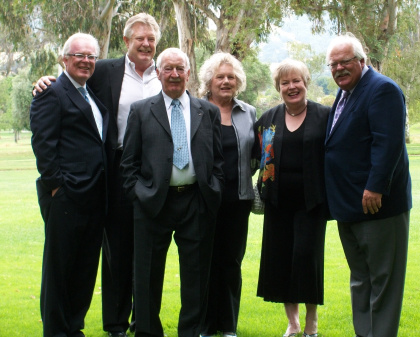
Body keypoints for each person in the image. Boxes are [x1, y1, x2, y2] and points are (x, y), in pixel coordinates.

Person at [34, 13, 162, 337]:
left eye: (151, 39)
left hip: (153, 176)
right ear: (127, 41)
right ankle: (114, 325)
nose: (146, 44)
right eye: (139, 38)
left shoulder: (168, 72)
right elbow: (65, 91)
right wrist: (45, 79)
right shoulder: (105, 70)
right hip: (111, 175)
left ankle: (141, 323)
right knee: (113, 254)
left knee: (145, 252)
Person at [120, 47, 224, 337]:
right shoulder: (141, 111)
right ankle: (149, 332)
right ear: (158, 72)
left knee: (196, 277)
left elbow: (218, 161)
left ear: (189, 74)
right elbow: (128, 164)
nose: (175, 74)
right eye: (168, 68)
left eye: (180, 69)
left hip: (196, 202)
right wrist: (140, 195)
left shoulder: (209, 111)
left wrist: (213, 190)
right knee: (147, 276)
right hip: (153, 204)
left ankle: (189, 332)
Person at [324, 33, 412, 337]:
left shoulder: (382, 90)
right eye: (333, 64)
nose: (338, 69)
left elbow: (388, 145)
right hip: (349, 206)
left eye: (345, 62)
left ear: (362, 60)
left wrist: (375, 186)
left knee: (384, 282)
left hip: (378, 205)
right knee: (361, 278)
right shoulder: (347, 92)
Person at [30, 33, 109, 337]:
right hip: (66, 197)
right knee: (60, 271)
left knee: (85, 269)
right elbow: (44, 144)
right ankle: (56, 331)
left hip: (94, 198)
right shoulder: (52, 91)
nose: (86, 61)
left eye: (91, 56)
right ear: (65, 58)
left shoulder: (91, 94)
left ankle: (74, 328)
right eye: (79, 55)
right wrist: (56, 187)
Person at [254, 59, 330, 337]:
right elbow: (256, 155)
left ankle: (311, 321)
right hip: (277, 202)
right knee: (282, 259)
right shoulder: (268, 119)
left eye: (296, 80)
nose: (291, 86)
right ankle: (293, 322)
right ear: (278, 87)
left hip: (312, 202)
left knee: (307, 259)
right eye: (285, 82)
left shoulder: (325, 116)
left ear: (306, 82)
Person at [197, 52, 257, 337]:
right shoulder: (195, 109)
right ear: (209, 80)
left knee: (231, 262)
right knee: (205, 260)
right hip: (202, 200)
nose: (225, 81)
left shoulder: (249, 112)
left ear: (238, 81)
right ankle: (206, 325)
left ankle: (228, 325)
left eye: (231, 77)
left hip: (238, 200)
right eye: (220, 76)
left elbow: (256, 154)